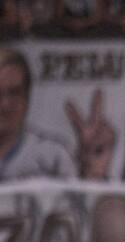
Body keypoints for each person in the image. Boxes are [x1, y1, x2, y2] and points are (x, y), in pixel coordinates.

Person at [0, 47, 116, 181]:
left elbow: (78, 200)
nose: (5, 105)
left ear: (27, 99)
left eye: (14, 93)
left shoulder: (53, 156)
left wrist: (92, 172)